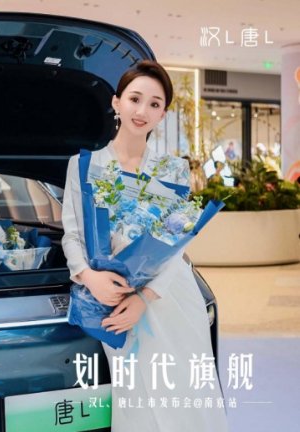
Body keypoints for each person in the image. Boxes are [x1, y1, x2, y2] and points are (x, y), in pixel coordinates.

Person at [62, 60, 229, 431]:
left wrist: (145, 298)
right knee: (137, 401)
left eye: (154, 104)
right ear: (116, 102)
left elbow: (175, 245)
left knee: (187, 397)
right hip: (113, 298)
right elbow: (72, 235)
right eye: (135, 99)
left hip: (170, 298)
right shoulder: (84, 165)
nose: (142, 111)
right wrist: (89, 276)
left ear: (162, 114)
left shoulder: (173, 169)